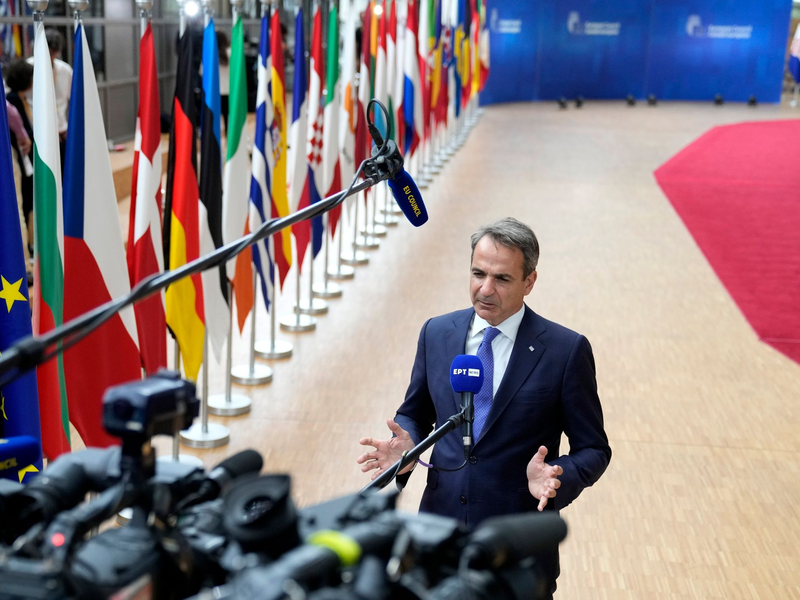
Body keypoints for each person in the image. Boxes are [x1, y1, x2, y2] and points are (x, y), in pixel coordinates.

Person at [357, 217, 611, 598]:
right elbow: (416, 410)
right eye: (478, 273)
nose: (485, 289)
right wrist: (407, 448)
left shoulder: (565, 351)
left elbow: (594, 449)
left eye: (502, 279)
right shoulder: (436, 333)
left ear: (530, 282)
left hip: (516, 550)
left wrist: (556, 476)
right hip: (437, 541)